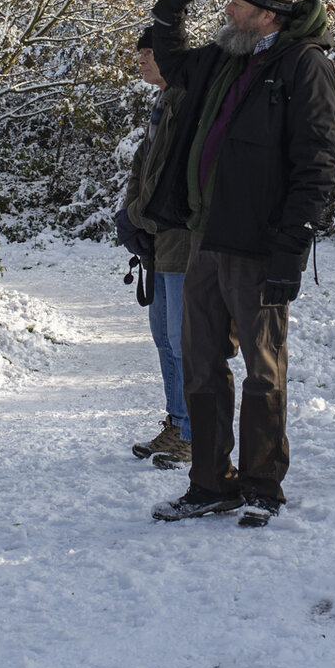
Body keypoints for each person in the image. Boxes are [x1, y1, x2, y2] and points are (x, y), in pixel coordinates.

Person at [145, 0, 335, 528]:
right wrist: (172, 4)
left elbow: (317, 165)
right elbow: (173, 60)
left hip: (258, 246)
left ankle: (262, 485)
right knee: (200, 362)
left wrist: (292, 249)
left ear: (267, 13)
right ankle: (210, 481)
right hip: (206, 236)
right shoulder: (225, 58)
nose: (226, 8)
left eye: (237, 1)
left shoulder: (304, 67)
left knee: (263, 369)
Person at [117, 27, 194, 467]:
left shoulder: (185, 101)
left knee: (184, 340)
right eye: (140, 53)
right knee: (165, 337)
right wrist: (131, 214)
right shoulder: (162, 101)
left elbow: (171, 176)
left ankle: (195, 433)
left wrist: (136, 218)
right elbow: (143, 168)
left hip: (181, 238)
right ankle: (178, 423)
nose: (142, 60)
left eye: (149, 53)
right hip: (159, 240)